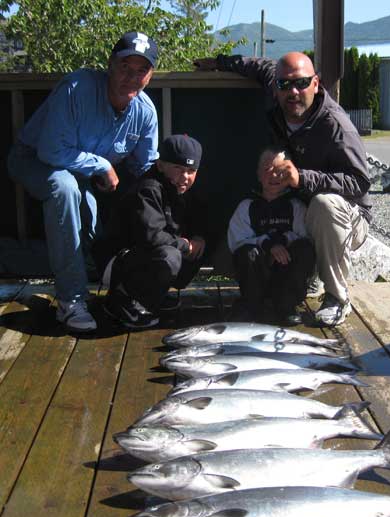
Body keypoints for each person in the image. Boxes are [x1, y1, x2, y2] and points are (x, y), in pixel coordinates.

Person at [194, 51, 371, 327]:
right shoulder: (277, 91)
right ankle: (292, 284)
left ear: (316, 83)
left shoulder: (337, 127)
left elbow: (359, 183)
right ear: (275, 87)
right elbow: (258, 66)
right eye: (285, 85)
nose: (294, 91)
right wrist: (220, 62)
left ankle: (337, 297)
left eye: (301, 83)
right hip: (296, 211)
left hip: (346, 217)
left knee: (324, 205)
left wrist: (302, 178)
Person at [7, 31, 159, 333]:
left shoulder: (146, 113)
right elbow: (51, 150)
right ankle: (70, 301)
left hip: (81, 176)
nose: (132, 77)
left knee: (91, 230)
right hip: (34, 158)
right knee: (64, 189)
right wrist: (101, 165)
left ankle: (126, 291)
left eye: (141, 70)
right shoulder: (77, 87)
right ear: (109, 64)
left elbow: (145, 170)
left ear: (151, 74)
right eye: (124, 67)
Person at [92, 134, 207, 329]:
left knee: (199, 244)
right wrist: (186, 245)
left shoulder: (183, 191)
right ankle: (120, 303)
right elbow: (152, 238)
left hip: (139, 259)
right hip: (115, 264)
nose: (185, 177)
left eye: (191, 170)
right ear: (160, 165)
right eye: (178, 168)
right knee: (170, 256)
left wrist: (198, 239)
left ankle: (151, 298)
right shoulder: (149, 189)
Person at [227, 147, 315, 326]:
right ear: (258, 175)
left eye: (280, 170)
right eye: (267, 170)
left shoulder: (296, 206)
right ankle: (252, 305)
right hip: (258, 273)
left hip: (285, 274)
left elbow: (305, 236)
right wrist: (268, 245)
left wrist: (282, 241)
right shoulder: (246, 206)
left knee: (305, 249)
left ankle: (286, 305)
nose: (274, 175)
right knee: (247, 252)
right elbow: (236, 241)